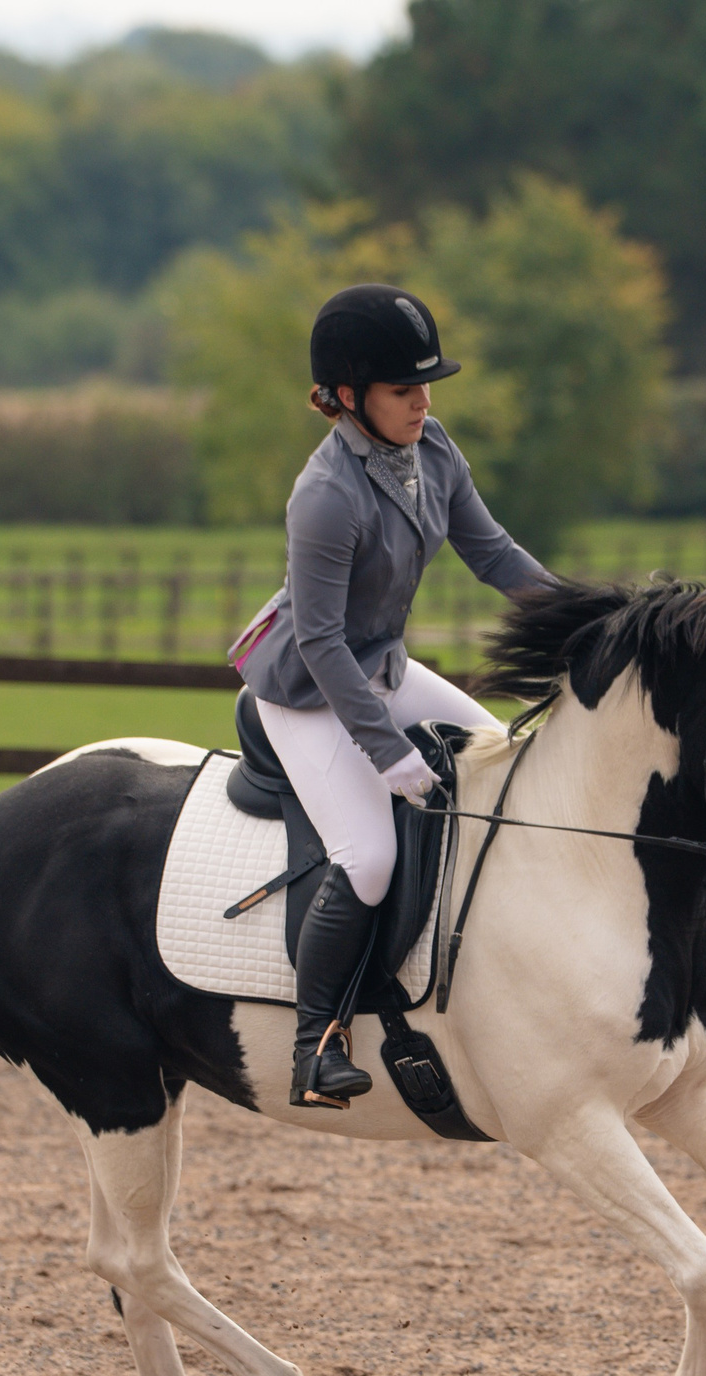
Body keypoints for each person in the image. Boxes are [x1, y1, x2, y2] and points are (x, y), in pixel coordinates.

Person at [230, 283, 559, 1110]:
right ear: (348, 397)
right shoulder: (325, 494)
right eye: (404, 389)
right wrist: (387, 752)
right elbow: (320, 643)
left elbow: (493, 553)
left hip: (379, 662)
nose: (423, 403)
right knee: (369, 857)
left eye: (426, 387)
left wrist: (589, 621)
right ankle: (316, 1045)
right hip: (307, 689)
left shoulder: (433, 449)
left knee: (506, 771)